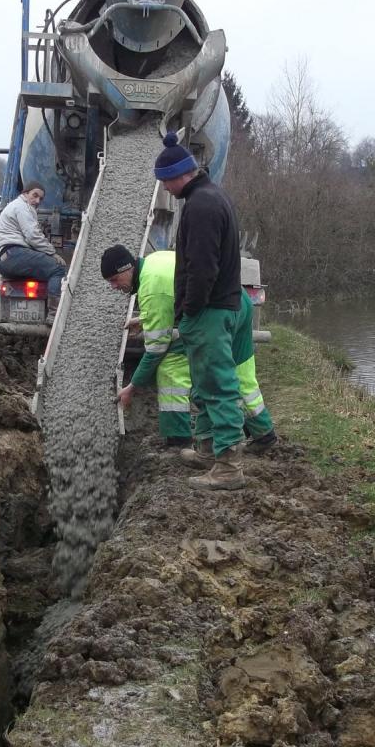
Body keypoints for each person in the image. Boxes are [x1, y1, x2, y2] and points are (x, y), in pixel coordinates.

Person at [154, 131, 276, 490]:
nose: (165, 189)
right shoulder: (210, 196)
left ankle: (227, 468)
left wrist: (189, 309)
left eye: (164, 182)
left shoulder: (202, 206)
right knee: (204, 384)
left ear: (179, 176)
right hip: (218, 305)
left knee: (219, 386)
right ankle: (208, 448)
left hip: (209, 310)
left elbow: (201, 267)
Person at [104, 243, 277, 456]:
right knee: (242, 374)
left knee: (173, 367)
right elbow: (174, 295)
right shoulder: (155, 261)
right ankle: (264, 433)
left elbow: (156, 349)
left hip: (216, 315)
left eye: (114, 280)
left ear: (126, 269)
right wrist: (145, 318)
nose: (113, 286)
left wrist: (133, 386)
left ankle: (181, 439)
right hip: (238, 302)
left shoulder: (150, 289)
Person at [0, 181, 66, 310]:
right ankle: (54, 314)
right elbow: (33, 235)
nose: (37, 201)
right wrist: (52, 252)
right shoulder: (21, 207)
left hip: (5, 259)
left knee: (44, 272)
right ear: (25, 193)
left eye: (41, 199)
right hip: (13, 254)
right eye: (35, 195)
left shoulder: (15, 206)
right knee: (57, 268)